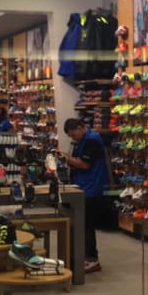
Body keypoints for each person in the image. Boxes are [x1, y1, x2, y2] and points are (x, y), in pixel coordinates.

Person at [61, 117, 109, 273]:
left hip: (92, 188)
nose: (73, 138)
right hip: (84, 186)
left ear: (81, 128)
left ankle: (92, 259)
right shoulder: (84, 140)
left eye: (74, 134)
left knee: (87, 225)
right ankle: (86, 257)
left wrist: (66, 159)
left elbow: (84, 164)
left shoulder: (92, 140)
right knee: (83, 225)